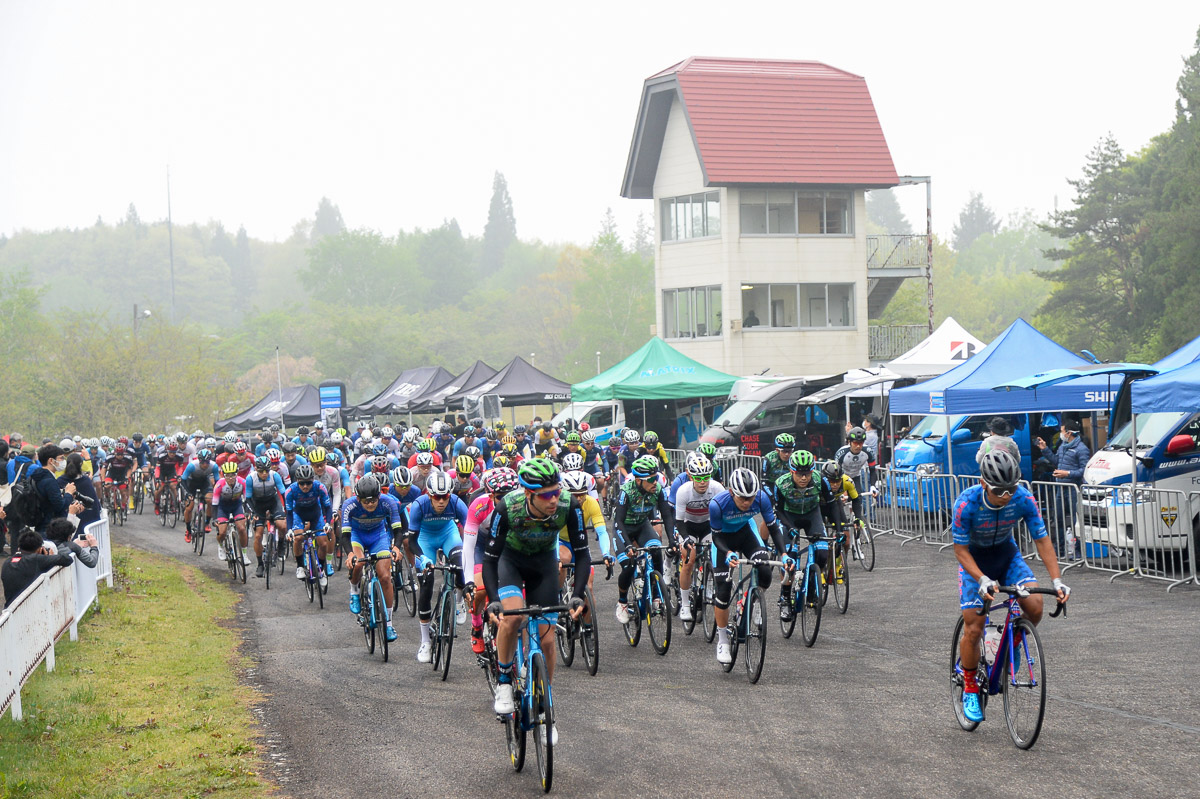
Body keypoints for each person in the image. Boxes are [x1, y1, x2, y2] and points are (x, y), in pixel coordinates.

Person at [952, 450, 1070, 724]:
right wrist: (981, 578)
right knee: (974, 626)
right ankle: (969, 685)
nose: (1006, 496)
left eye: (1011, 488)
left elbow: (1042, 540)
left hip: (1007, 555)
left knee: (1035, 604)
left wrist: (1057, 581)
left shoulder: (1024, 497)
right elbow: (959, 550)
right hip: (974, 561)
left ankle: (1011, 644)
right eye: (999, 490)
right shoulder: (965, 504)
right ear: (983, 483)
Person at [482, 458, 589, 735]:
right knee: (513, 617)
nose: (555, 499)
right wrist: (494, 599)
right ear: (529, 494)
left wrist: (577, 595)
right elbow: (491, 560)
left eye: (557, 491)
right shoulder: (508, 508)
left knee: (548, 639)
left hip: (543, 564)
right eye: (547, 495)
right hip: (510, 562)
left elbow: (582, 554)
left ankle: (545, 706)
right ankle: (505, 680)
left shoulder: (569, 505)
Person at [1036, 417, 1090, 559]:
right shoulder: (1062, 446)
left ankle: (1078, 552)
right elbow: (1056, 462)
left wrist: (1068, 473)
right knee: (1058, 519)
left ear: (1069, 433)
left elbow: (1085, 470)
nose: (1061, 434)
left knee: (1075, 520)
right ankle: (1059, 551)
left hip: (1073, 489)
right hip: (1061, 488)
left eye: (1062, 431)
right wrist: (1045, 449)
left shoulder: (1081, 449)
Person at [3, 529, 74, 607]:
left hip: (9, 609)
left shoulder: (7, 562)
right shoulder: (36, 559)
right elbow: (67, 559)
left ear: (19, 547)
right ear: (40, 549)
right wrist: (51, 557)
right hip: (30, 608)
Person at [32, 444, 84, 535]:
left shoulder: (37, 476)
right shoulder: (49, 481)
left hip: (40, 524)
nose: (64, 461)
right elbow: (60, 506)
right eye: (61, 458)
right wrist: (68, 493)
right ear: (51, 460)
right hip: (49, 528)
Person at [58, 453, 101, 530]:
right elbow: (94, 504)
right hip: (87, 525)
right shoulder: (86, 481)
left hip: (65, 524)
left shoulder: (60, 481)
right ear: (81, 465)